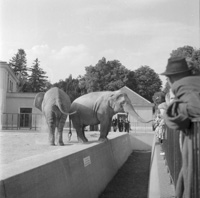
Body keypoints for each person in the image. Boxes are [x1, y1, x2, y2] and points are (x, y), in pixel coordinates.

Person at [160, 56, 200, 198]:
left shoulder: (182, 85)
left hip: (196, 140)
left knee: (193, 178)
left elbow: (176, 119)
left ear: (173, 77)